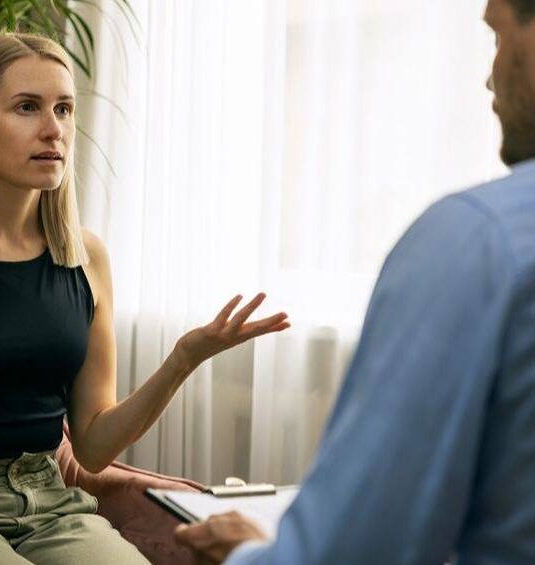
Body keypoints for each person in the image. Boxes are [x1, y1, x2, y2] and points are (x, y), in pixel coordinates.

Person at [0, 33, 291, 565]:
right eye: (27, 107)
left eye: (64, 109)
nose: (54, 129)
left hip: (50, 503)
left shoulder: (86, 259)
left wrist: (183, 359)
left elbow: (92, 446)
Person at [175, 0, 535, 563]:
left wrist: (244, 555)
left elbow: (351, 552)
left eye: (497, 37)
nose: (490, 79)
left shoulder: (477, 241)